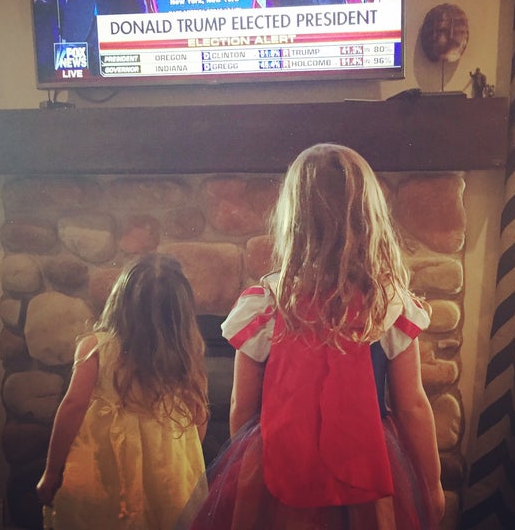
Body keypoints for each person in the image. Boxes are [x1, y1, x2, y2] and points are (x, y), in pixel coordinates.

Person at [181, 143, 445, 530]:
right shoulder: (388, 304)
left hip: (280, 461)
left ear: (295, 218)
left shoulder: (267, 304)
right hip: (365, 457)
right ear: (367, 216)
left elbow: (242, 403)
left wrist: (247, 462)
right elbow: (412, 407)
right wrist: (433, 484)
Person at [36, 254, 210, 530]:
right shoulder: (185, 354)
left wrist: (52, 471)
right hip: (167, 469)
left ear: (120, 301)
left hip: (104, 467)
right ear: (181, 313)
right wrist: (187, 456)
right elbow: (199, 416)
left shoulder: (95, 348)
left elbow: (72, 407)